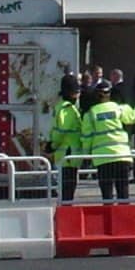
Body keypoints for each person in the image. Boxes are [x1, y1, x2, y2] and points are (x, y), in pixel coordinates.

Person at [80, 79, 135, 201]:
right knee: (123, 193)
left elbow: (87, 137)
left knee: (107, 195)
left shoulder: (90, 114)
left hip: (103, 159)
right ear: (110, 94)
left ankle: (108, 218)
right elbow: (132, 118)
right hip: (121, 156)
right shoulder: (118, 108)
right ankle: (124, 218)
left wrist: (86, 155)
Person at [49, 74, 82, 202]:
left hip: (66, 154)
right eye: (77, 92)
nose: (79, 94)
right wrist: (52, 145)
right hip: (68, 153)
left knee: (67, 188)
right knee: (68, 189)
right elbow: (61, 131)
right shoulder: (67, 109)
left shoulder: (65, 107)